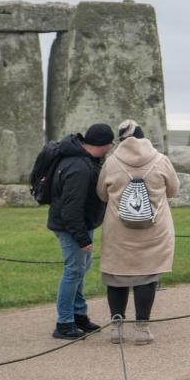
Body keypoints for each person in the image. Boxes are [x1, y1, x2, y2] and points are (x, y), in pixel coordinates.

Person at [96, 120, 179, 345]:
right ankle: (142, 329)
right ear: (143, 137)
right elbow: (173, 190)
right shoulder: (161, 161)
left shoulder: (111, 162)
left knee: (116, 276)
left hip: (118, 229)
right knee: (147, 275)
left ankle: (117, 328)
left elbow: (102, 194)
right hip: (153, 229)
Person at [48, 123, 114, 340]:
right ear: (105, 145)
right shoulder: (79, 167)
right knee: (73, 271)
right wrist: (82, 238)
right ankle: (64, 322)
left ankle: (78, 315)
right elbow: (71, 208)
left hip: (80, 224)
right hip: (72, 227)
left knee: (80, 269)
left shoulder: (83, 160)